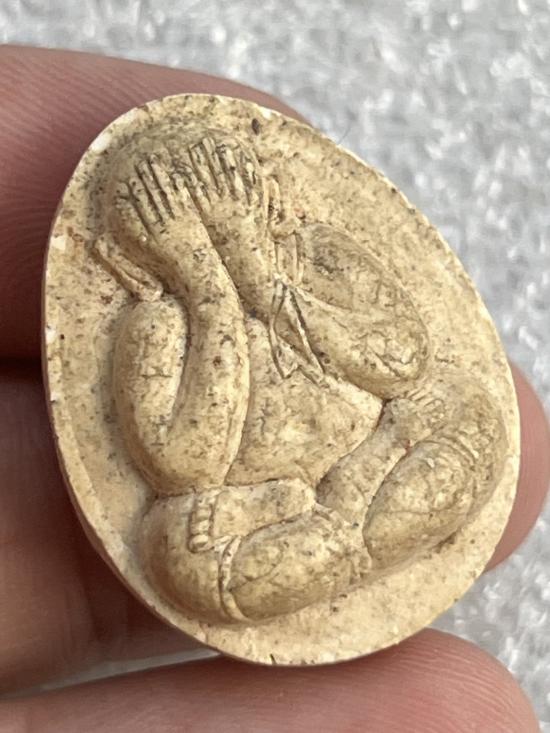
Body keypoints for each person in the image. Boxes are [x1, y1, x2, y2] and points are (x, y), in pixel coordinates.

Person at [0, 45, 547, 731]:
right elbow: (183, 467)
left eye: (228, 226)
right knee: (177, 554)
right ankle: (343, 539)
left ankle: (338, 536)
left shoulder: (319, 254)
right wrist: (211, 303)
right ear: (129, 262)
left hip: (386, 447)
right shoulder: (155, 327)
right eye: (186, 245)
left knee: (471, 413)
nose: (215, 252)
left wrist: (272, 290)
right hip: (265, 508)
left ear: (270, 205)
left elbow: (403, 361)